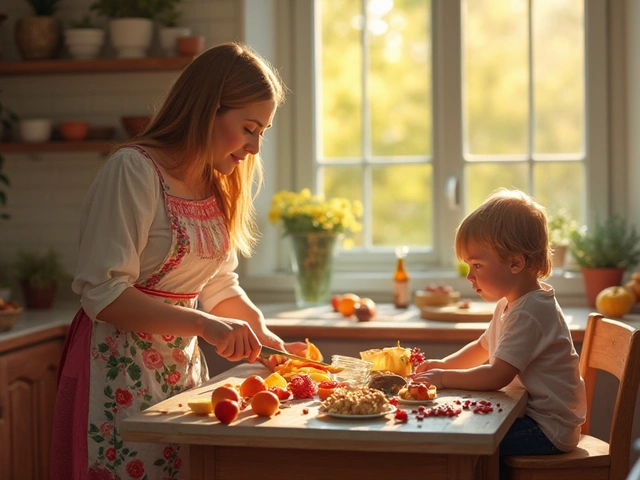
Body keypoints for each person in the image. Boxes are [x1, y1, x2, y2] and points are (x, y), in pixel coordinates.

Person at [50, 42, 307, 480]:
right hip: (113, 371)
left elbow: (219, 285)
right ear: (207, 109)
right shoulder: (133, 170)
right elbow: (105, 294)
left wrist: (265, 340)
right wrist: (205, 326)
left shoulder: (214, 185)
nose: (254, 147)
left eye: (261, 131)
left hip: (179, 376)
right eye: (249, 127)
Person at [411, 188, 587, 473]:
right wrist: (443, 364)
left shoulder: (531, 312)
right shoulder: (512, 302)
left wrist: (443, 378)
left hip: (547, 429)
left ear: (516, 263)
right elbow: (483, 347)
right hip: (529, 415)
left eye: (477, 265)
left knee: (466, 444)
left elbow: (496, 375)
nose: (469, 276)